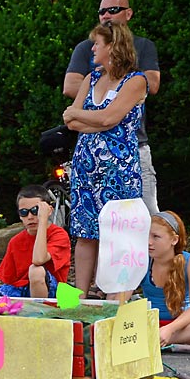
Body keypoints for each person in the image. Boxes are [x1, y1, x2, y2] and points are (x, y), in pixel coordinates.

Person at [63, 22, 147, 298]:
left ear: (113, 46)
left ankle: (117, 293)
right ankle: (81, 296)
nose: (93, 48)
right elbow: (70, 121)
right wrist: (98, 121)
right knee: (85, 230)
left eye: (97, 43)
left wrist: (92, 118)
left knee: (118, 231)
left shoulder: (135, 81)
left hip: (118, 167)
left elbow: (109, 116)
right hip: (86, 165)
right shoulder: (91, 78)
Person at [63, 0, 160, 215]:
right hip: (91, 153)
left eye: (112, 10)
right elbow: (70, 90)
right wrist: (109, 101)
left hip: (133, 146)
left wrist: (113, 102)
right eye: (101, 11)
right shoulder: (86, 51)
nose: (106, 15)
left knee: (143, 218)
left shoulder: (143, 48)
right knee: (90, 227)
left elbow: (151, 84)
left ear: (128, 13)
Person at [134, 211, 190, 350]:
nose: (149, 242)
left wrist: (170, 329)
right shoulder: (142, 261)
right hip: (149, 322)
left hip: (181, 326)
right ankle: (158, 339)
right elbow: (123, 296)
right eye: (147, 236)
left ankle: (160, 340)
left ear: (174, 240)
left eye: (156, 237)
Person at [0, 185, 71, 298]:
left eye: (35, 211)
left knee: (35, 271)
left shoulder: (59, 235)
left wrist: (42, 221)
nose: (30, 217)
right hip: (22, 289)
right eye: (24, 212)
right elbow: (10, 282)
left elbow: (38, 260)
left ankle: (40, 313)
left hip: (53, 292)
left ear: (48, 211)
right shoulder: (15, 241)